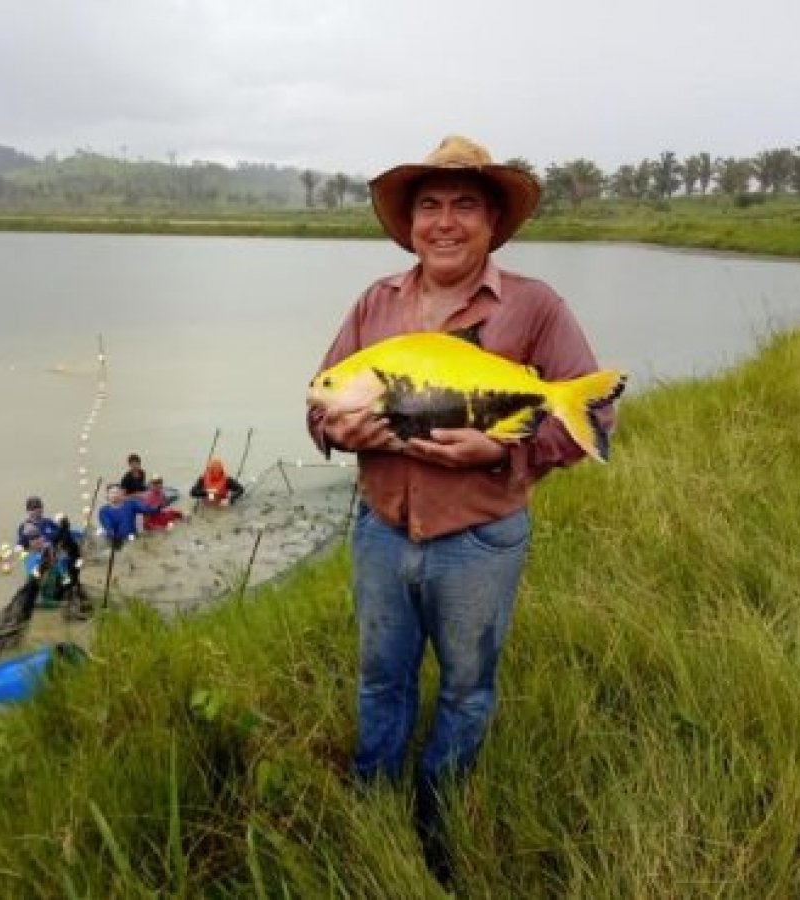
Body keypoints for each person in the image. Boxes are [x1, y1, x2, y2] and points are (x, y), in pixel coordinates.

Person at [306, 135, 618, 884]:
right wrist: (331, 428)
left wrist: (504, 453)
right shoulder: (374, 304)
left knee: (467, 688)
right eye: (430, 206)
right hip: (379, 531)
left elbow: (593, 418)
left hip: (479, 541)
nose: (444, 222)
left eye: (463, 206)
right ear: (411, 222)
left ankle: (438, 819)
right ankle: (373, 803)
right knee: (380, 679)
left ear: (492, 222)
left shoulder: (537, 307)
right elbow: (319, 398)